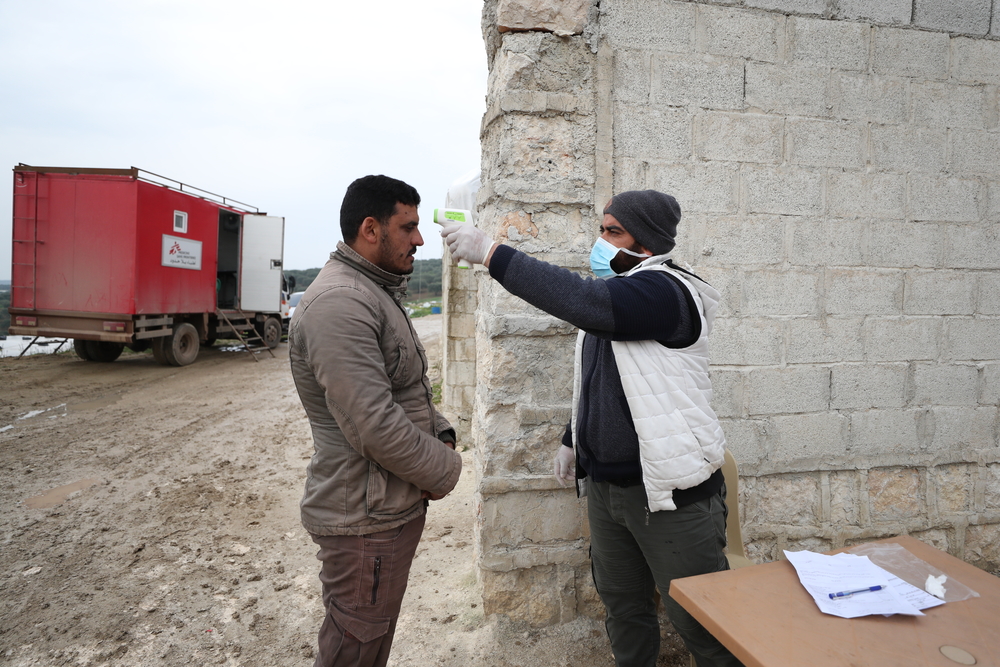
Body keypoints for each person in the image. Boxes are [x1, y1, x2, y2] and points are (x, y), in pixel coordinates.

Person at [441, 190, 742, 667]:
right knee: (624, 610)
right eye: (602, 229)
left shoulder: (664, 292)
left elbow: (583, 300)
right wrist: (570, 439)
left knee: (705, 624)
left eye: (613, 232)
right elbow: (602, 380)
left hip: (668, 495)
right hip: (607, 492)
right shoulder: (618, 297)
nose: (601, 240)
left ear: (646, 243)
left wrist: (491, 253)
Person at [289, 174, 463, 667]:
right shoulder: (341, 303)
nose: (420, 239)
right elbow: (373, 424)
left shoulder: (372, 290)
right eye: (407, 227)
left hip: (383, 506)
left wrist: (442, 435)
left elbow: (407, 389)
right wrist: (444, 470)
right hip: (363, 519)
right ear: (370, 228)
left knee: (369, 641)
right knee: (355, 649)